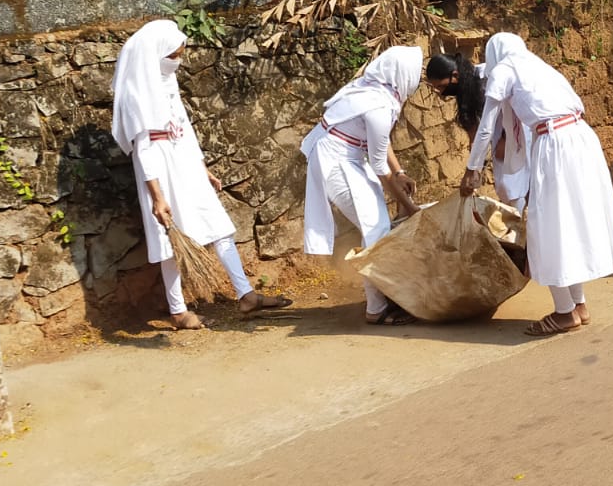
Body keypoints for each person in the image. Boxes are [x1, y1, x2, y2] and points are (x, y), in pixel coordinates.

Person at [111, 19, 291, 330]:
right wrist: (157, 197)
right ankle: (178, 311)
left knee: (218, 225)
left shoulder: (167, 82)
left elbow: (184, 128)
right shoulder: (135, 94)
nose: (177, 61)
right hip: (161, 170)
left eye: (181, 55)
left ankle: (246, 294)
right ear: (155, 55)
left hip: (185, 162)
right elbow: (143, 149)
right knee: (171, 240)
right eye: (173, 56)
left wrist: (201, 166)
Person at [459, 33, 613, 336]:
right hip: (580, 139)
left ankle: (564, 312)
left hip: (555, 144)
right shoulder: (539, 67)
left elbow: (485, 128)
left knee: (546, 226)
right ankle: (578, 305)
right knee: (564, 223)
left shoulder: (504, 70)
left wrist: (472, 169)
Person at [300, 46, 425, 325]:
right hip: (337, 161)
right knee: (376, 229)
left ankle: (383, 298)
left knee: (376, 227)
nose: (415, 82)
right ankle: (377, 308)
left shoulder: (375, 91)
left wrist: (400, 171)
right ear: (402, 75)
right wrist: (410, 208)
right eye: (415, 76)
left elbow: (380, 140)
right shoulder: (378, 104)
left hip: (346, 155)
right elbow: (379, 167)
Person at [425, 50, 530, 209]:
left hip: (517, 133)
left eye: (441, 86)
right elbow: (474, 131)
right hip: (502, 138)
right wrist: (475, 167)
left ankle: (524, 220)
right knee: (505, 186)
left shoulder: (485, 79)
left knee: (515, 184)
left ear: (455, 76)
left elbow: (512, 107)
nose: (440, 91)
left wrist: (506, 138)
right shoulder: (464, 90)